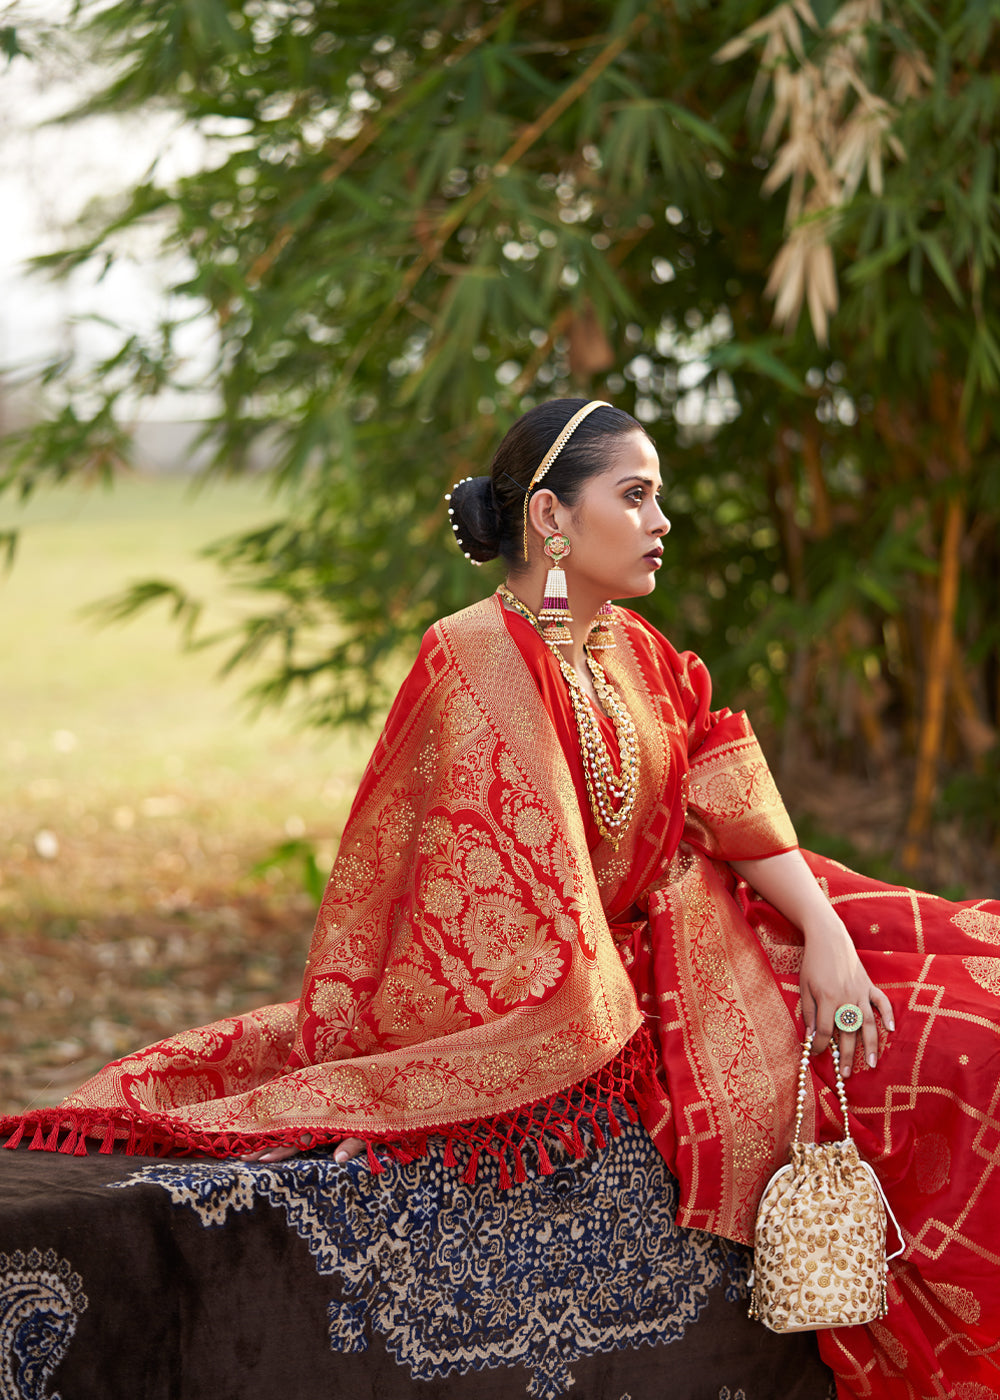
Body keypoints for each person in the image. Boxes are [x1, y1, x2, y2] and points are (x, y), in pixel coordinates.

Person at [3, 398, 999, 1399]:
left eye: (660, 497)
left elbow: (716, 778)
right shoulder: (473, 661)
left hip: (708, 929)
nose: (662, 520)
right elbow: (493, 909)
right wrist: (434, 1091)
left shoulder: (632, 649)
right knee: (953, 1058)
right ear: (552, 522)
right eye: (637, 495)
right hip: (600, 987)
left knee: (975, 991)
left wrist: (824, 930)